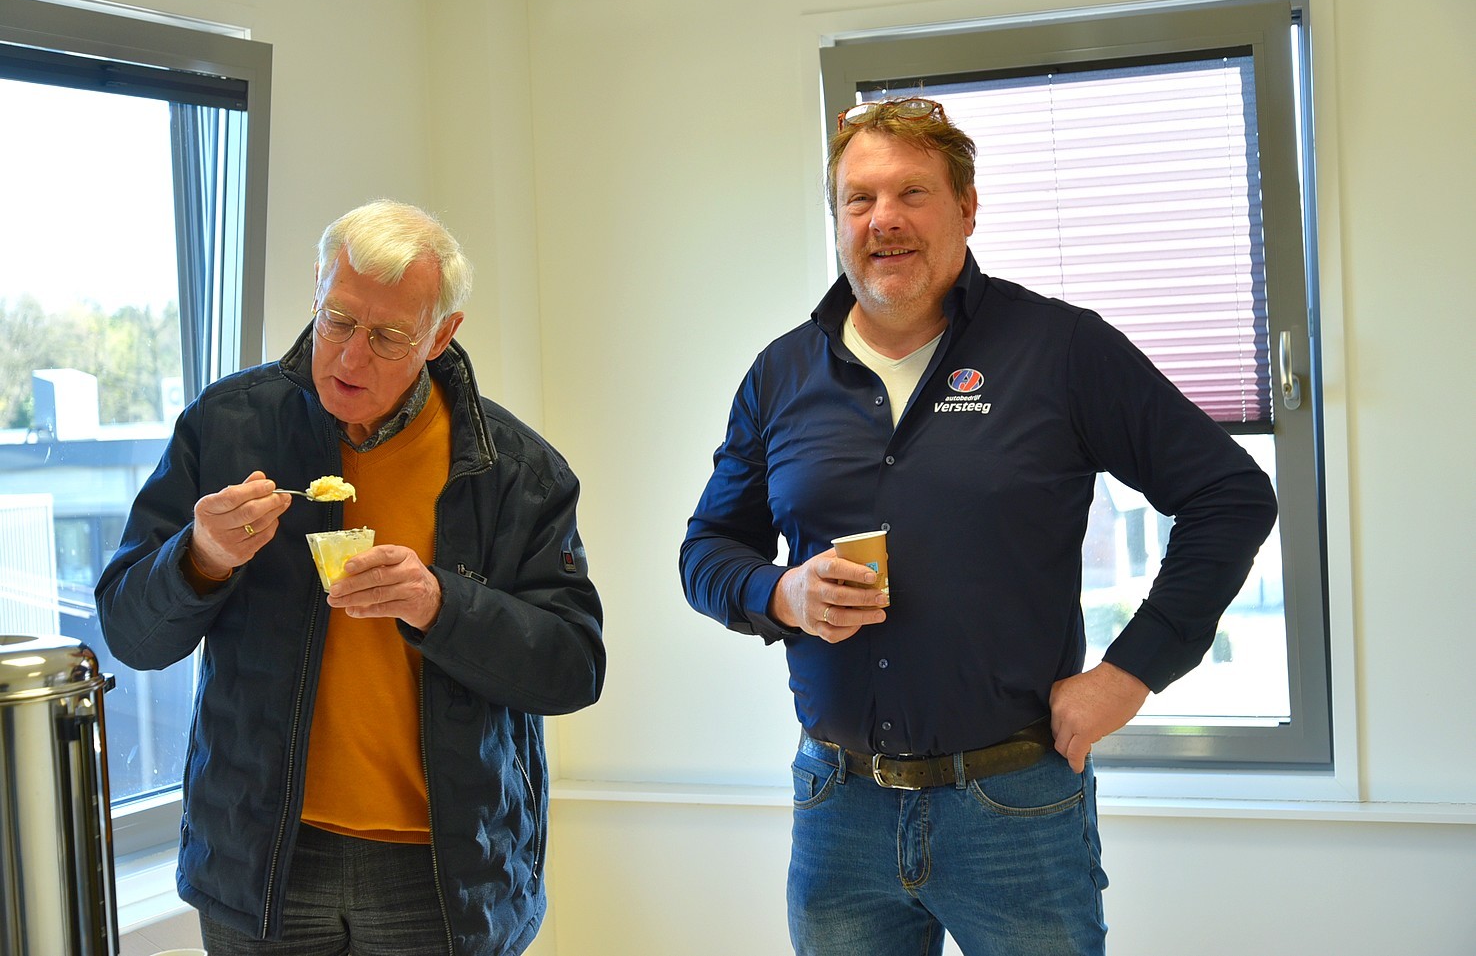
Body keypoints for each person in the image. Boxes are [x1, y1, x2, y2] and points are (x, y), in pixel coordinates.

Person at [679, 98, 1277, 955]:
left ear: (966, 207)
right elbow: (707, 550)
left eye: (912, 193)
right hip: (837, 809)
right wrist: (780, 593)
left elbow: (1230, 495)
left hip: (1014, 807)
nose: (884, 218)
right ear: (838, 220)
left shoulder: (1060, 349)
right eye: (859, 199)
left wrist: (1132, 672)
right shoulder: (780, 374)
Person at [97, 199, 605, 956]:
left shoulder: (516, 470)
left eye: (388, 336)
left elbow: (574, 667)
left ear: (441, 336)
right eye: (337, 320)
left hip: (442, 872)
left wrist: (441, 604)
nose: (348, 358)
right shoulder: (226, 425)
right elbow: (129, 635)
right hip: (259, 859)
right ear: (315, 288)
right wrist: (199, 556)